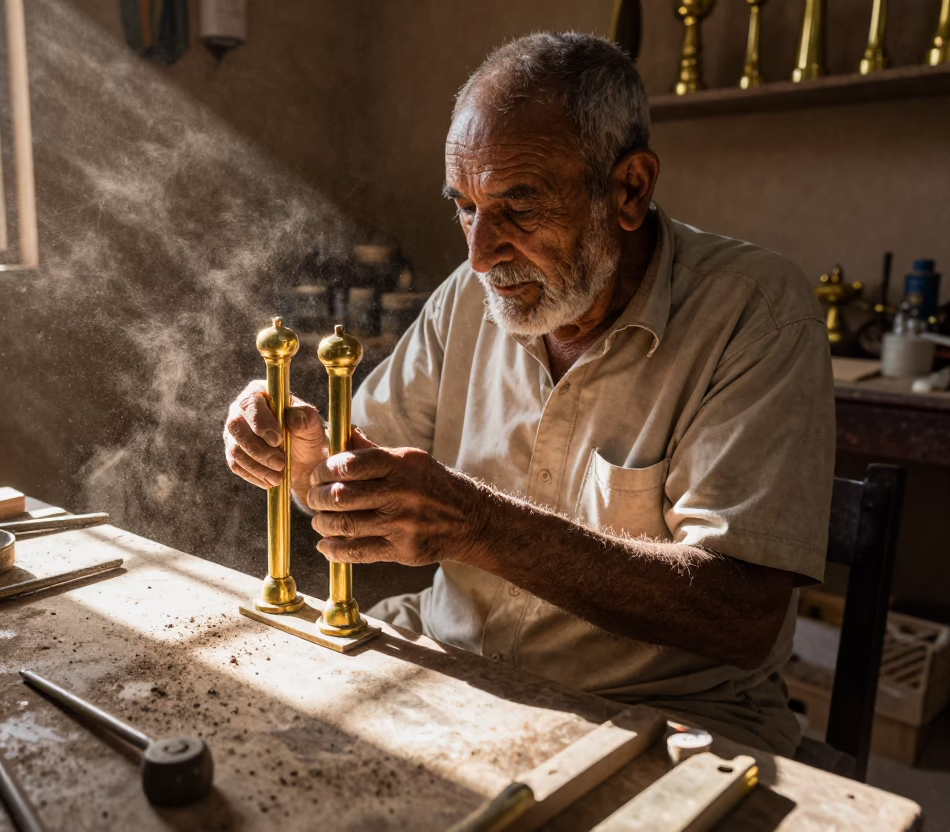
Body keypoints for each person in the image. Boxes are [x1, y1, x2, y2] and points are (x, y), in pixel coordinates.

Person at [222, 32, 833, 756]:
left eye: (519, 206)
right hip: (455, 663)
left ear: (629, 189)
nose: (480, 253)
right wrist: (301, 453)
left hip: (653, 716)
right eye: (466, 207)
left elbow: (739, 614)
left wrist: (477, 526)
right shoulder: (467, 299)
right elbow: (351, 468)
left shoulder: (755, 314)